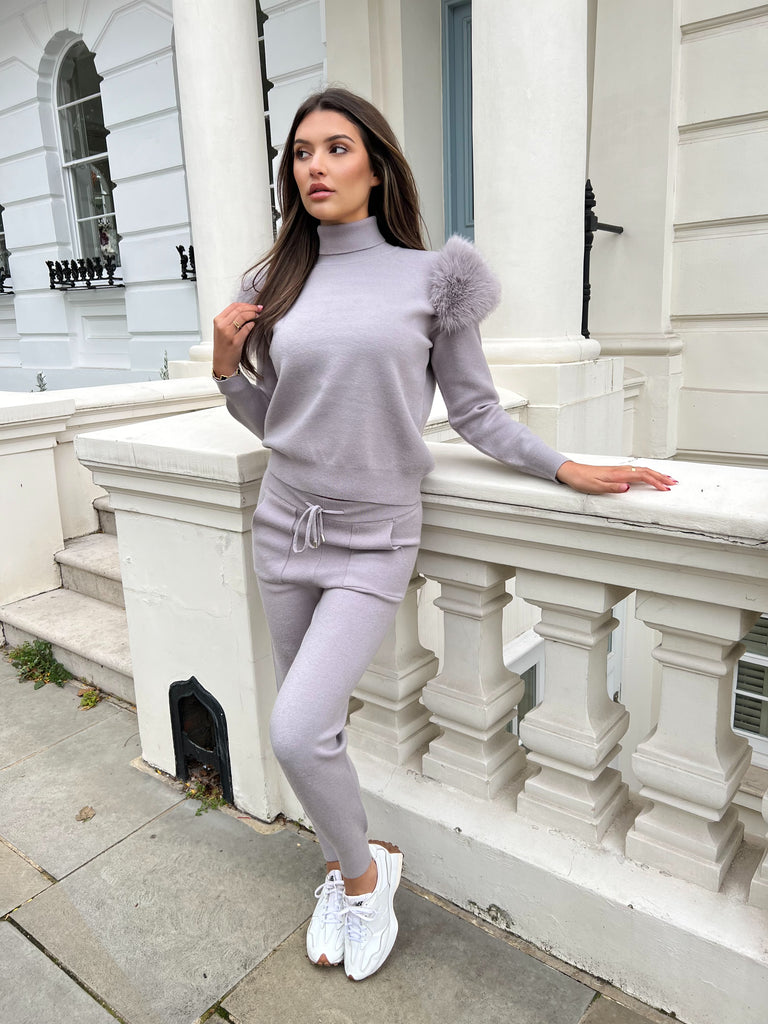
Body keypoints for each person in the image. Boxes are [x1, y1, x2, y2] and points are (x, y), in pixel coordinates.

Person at [212, 88, 677, 982]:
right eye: (301, 152)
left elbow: (474, 411)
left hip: (373, 540)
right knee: (317, 728)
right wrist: (232, 374)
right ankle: (347, 870)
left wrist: (563, 466)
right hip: (284, 528)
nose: (315, 166)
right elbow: (278, 422)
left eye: (337, 148)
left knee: (296, 730)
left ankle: (364, 876)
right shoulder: (269, 284)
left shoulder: (436, 280)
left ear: (377, 166)